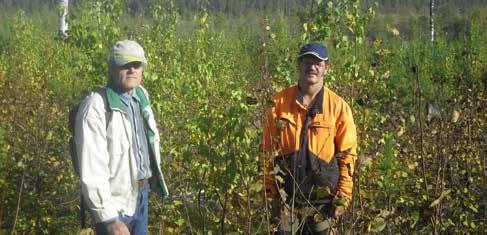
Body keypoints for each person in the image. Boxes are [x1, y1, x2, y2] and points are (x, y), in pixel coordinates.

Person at [261, 42, 357, 234]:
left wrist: (343, 196)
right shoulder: (279, 103)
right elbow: (267, 150)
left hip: (324, 203)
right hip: (286, 199)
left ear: (326, 69)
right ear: (299, 65)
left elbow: (348, 156)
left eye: (318, 63)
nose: (312, 67)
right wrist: (268, 191)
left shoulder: (338, 107)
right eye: (307, 61)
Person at [74, 40, 169, 235]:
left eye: (137, 65)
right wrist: (109, 219)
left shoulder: (141, 96)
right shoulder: (96, 106)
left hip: (140, 196)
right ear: (111, 67)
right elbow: (92, 168)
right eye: (124, 65)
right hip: (114, 207)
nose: (132, 70)